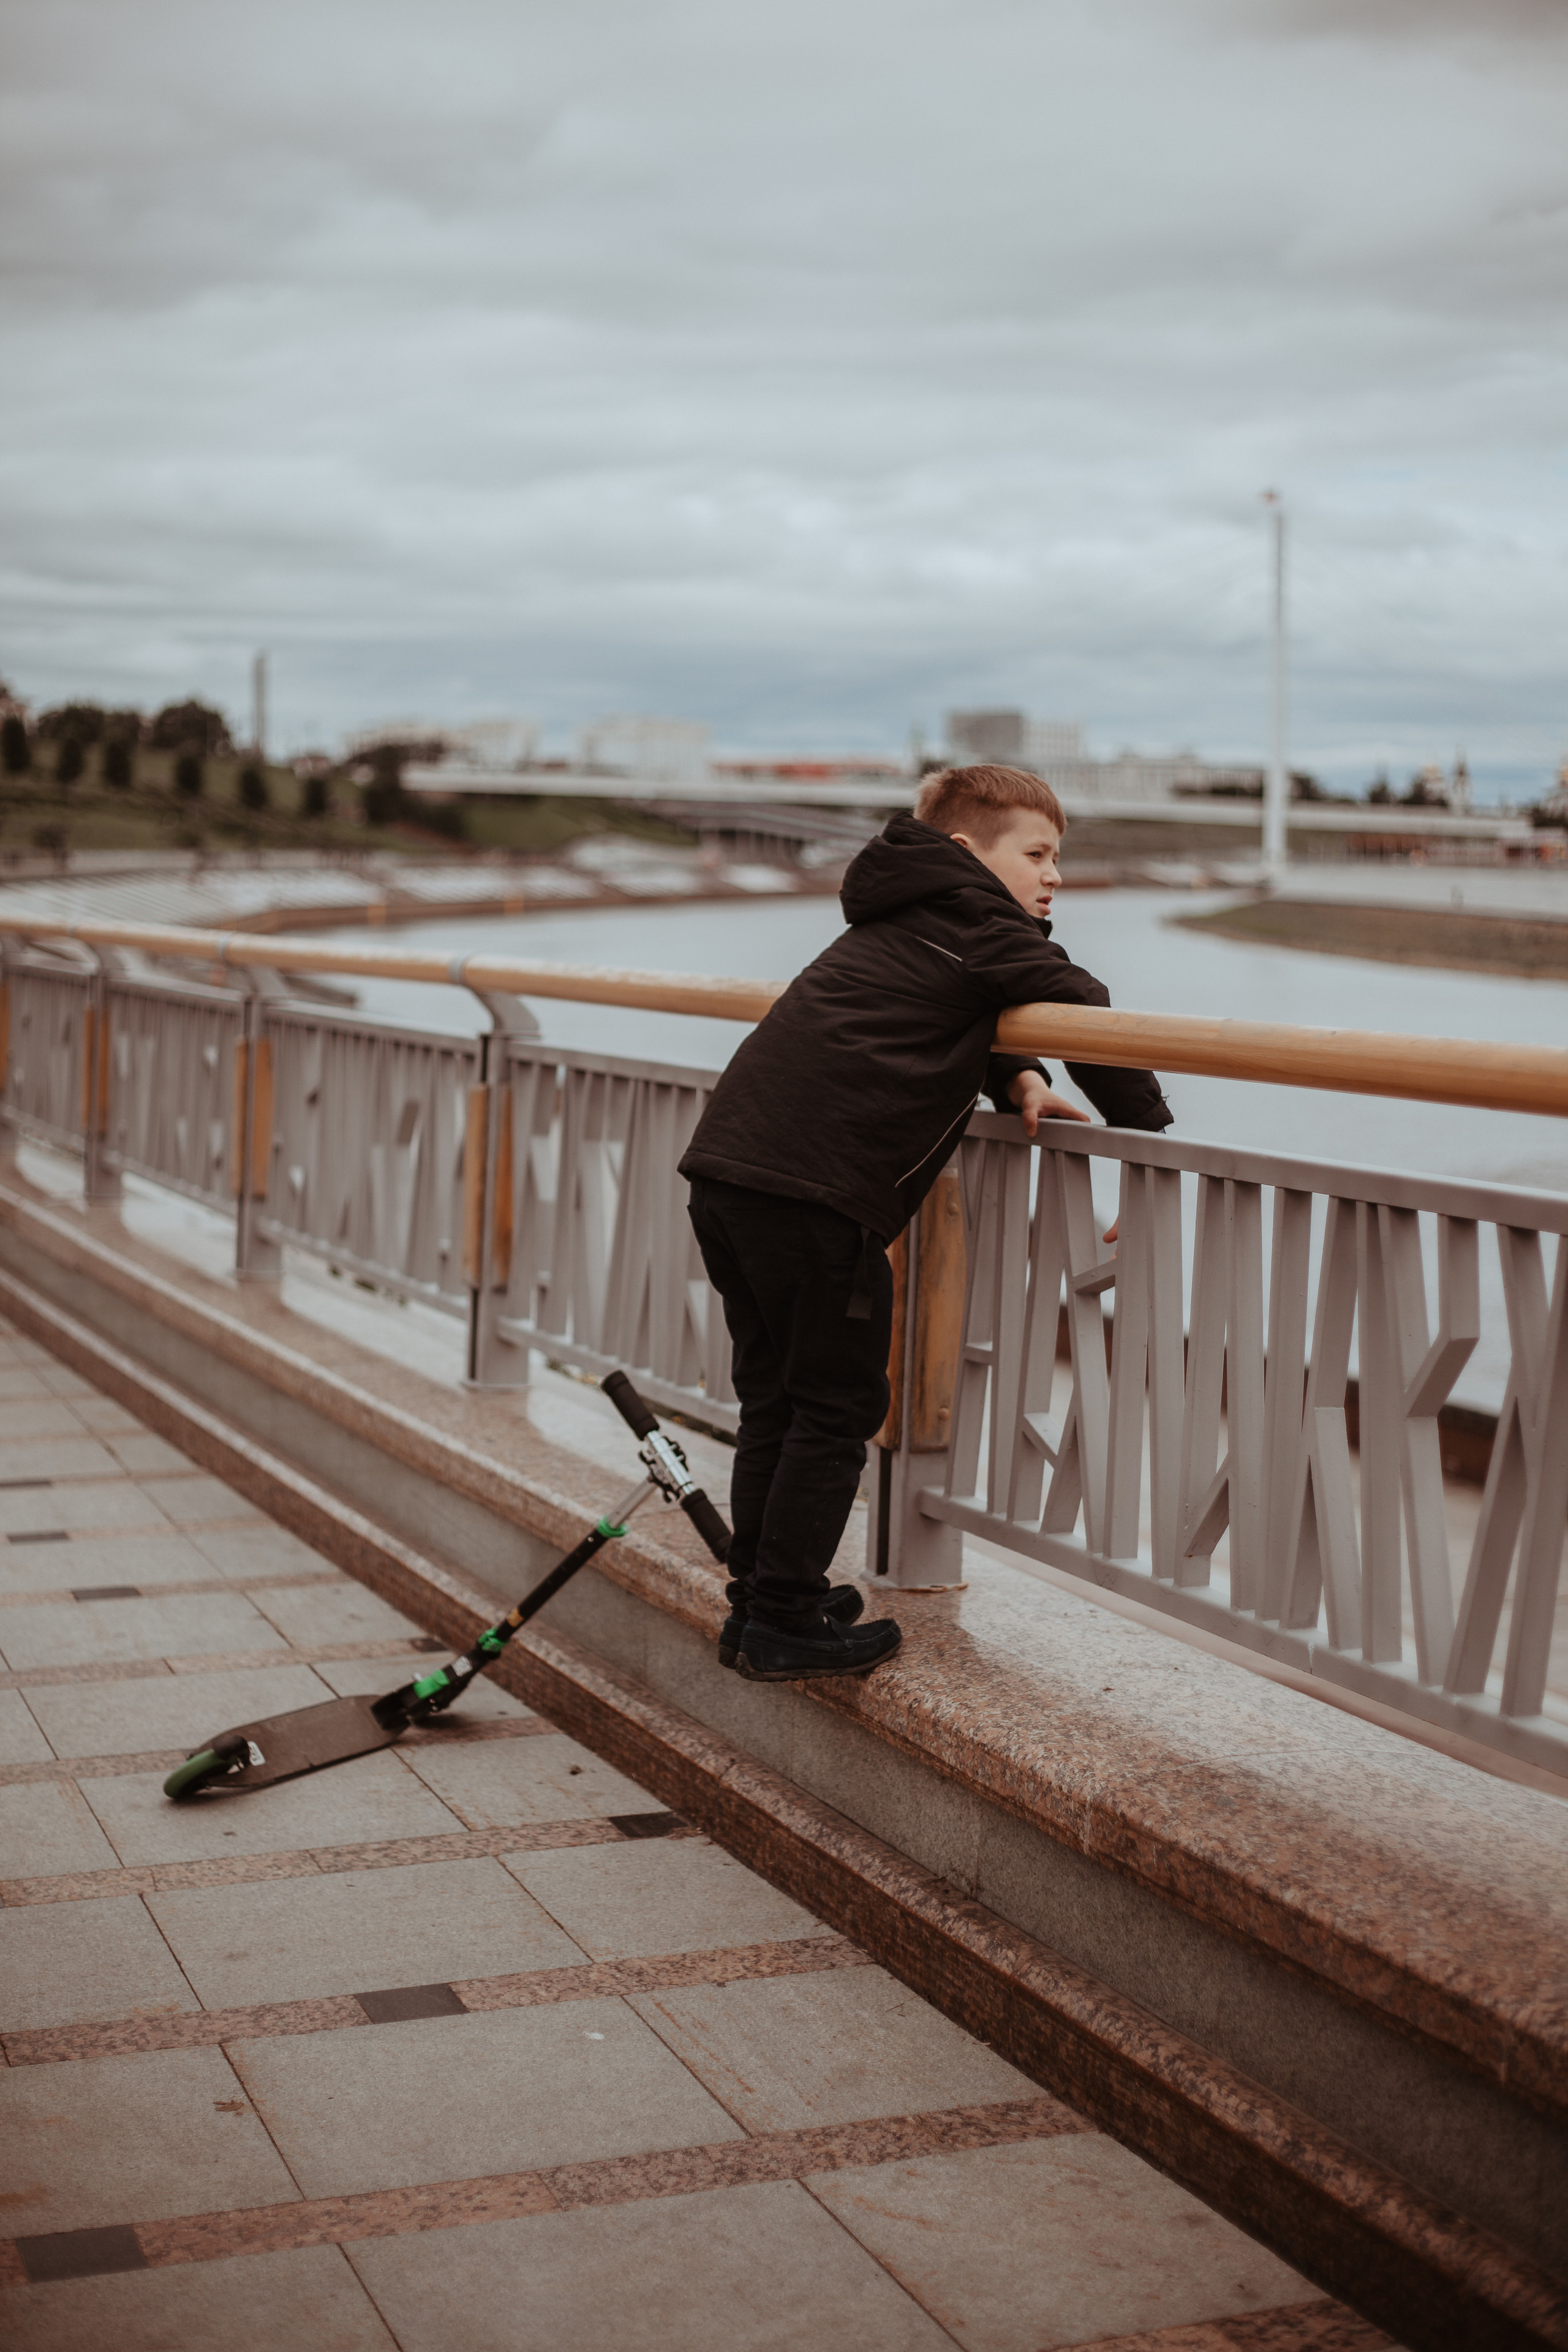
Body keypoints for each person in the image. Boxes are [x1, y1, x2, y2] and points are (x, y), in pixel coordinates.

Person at [679, 763, 1172, 1684]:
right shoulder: (978, 922)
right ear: (965, 854)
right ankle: (785, 1616)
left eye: (1057, 857)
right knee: (837, 1405)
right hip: (815, 1198)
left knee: (779, 1400)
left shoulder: (903, 915)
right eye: (1036, 853)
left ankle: (761, 1598)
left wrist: (1016, 1074)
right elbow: (1082, 1003)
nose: (1052, 875)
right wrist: (1146, 1146)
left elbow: (946, 1009)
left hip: (731, 1175)